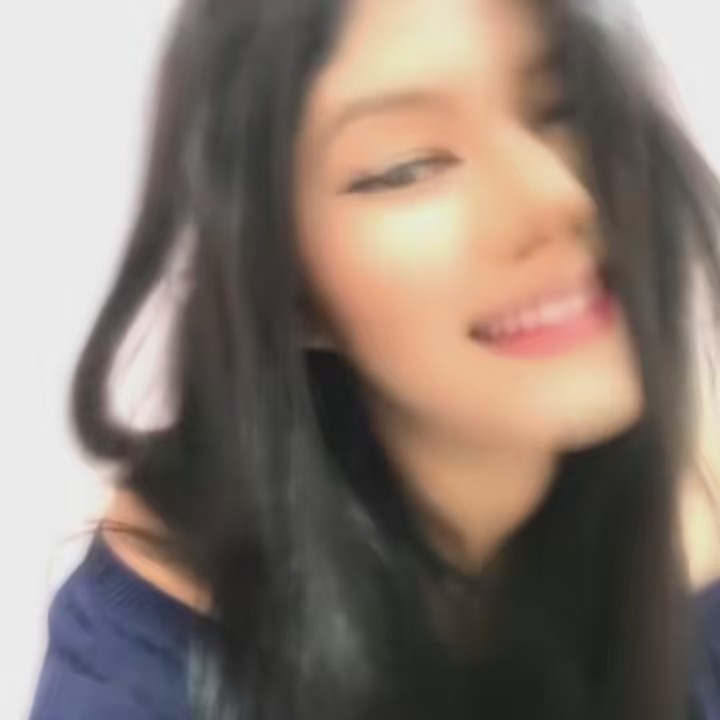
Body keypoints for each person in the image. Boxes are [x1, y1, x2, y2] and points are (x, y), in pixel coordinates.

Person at [29, 0, 720, 718]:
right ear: (290, 291)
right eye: (406, 168)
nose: (556, 196)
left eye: (561, 109)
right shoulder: (159, 655)